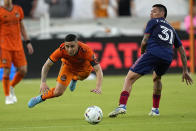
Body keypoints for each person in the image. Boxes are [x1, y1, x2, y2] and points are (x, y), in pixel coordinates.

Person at [108, 4, 193, 117]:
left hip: (153, 53)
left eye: (154, 11)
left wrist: (142, 52)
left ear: (162, 14)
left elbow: (144, 41)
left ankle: (122, 106)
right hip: (168, 57)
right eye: (151, 11)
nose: (151, 13)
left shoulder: (153, 22)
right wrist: (185, 70)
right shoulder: (172, 28)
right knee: (157, 78)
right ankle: (155, 110)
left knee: (129, 78)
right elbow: (181, 49)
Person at [28, 34, 103, 108]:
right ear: (65, 45)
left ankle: (74, 79)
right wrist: (43, 82)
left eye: (72, 46)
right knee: (58, 92)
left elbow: (98, 69)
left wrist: (98, 87)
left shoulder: (86, 50)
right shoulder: (61, 50)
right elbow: (46, 65)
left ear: (77, 44)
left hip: (84, 69)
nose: (70, 49)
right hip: (68, 67)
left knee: (83, 77)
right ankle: (40, 98)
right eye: (67, 46)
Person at [0, 0, 34, 104]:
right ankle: (7, 97)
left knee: (23, 70)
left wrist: (27, 41)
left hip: (18, 45)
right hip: (4, 45)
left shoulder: (18, 9)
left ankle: (11, 86)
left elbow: (22, 27)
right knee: (6, 70)